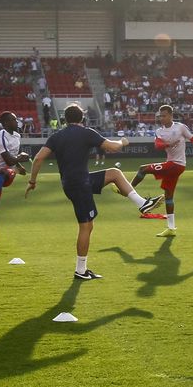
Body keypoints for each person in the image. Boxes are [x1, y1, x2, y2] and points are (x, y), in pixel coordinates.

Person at [25, 104, 163, 280]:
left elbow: (38, 158)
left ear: (65, 119)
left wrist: (32, 181)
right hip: (80, 184)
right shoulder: (86, 132)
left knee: (114, 173)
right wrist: (122, 141)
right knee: (85, 226)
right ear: (82, 118)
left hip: (73, 182)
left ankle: (142, 203)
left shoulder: (57, 136)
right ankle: (80, 271)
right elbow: (112, 147)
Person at [132, 104, 193, 238]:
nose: (161, 118)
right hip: (171, 165)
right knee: (169, 197)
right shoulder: (159, 131)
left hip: (177, 165)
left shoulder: (180, 128)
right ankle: (171, 228)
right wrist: (167, 144)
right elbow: (157, 145)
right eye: (160, 116)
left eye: (164, 116)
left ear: (171, 115)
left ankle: (127, 190)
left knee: (142, 169)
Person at [0, 111, 30, 252]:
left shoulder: (17, 136)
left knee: (4, 171)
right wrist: (21, 157)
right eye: (14, 120)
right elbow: (9, 159)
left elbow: (12, 160)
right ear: (6, 123)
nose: (17, 122)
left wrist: (19, 167)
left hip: (7, 174)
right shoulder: (0, 137)